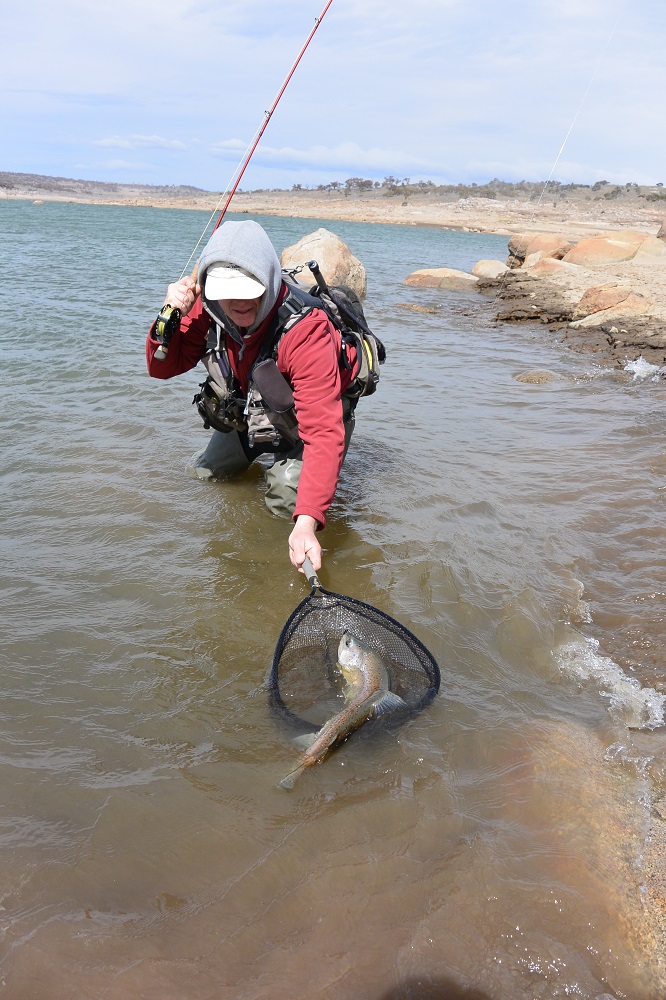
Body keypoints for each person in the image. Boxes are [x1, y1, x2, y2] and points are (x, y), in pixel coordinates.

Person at [146, 219, 359, 573]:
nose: (239, 302)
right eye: (227, 290)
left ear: (269, 280)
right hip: (255, 406)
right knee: (207, 472)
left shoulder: (307, 331)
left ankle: (278, 551)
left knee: (284, 498)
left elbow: (323, 432)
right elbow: (161, 367)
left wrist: (307, 523)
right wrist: (168, 315)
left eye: (250, 289)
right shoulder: (210, 306)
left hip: (312, 415)